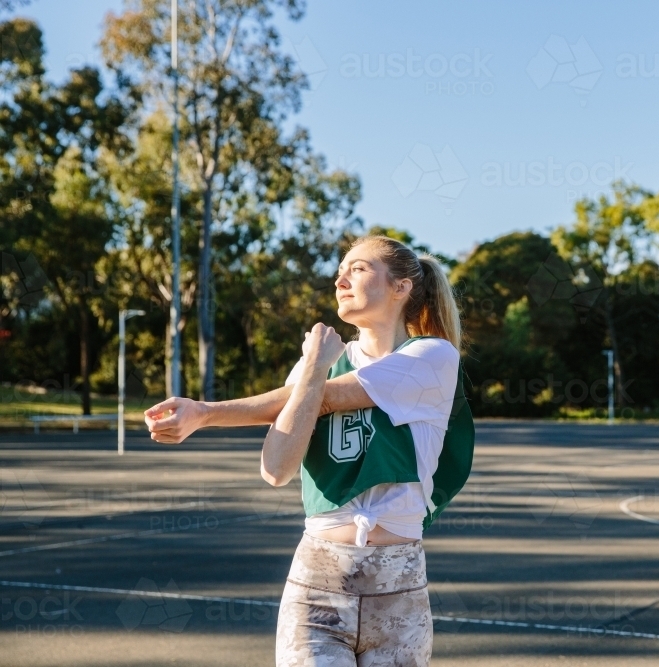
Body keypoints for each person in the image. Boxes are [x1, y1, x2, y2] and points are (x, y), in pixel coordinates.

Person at [143, 235, 475, 667]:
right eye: (340, 270)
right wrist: (313, 369)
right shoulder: (318, 362)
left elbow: (326, 398)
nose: (340, 279)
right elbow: (276, 469)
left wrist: (206, 412)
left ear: (401, 286)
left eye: (357, 268)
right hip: (318, 582)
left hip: (398, 586)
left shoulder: (432, 355)